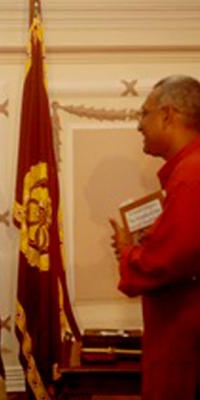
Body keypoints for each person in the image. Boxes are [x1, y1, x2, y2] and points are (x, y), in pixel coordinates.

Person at [110, 75, 200, 400]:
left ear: (168, 115)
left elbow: (167, 261)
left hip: (185, 338)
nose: (139, 125)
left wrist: (128, 252)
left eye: (143, 114)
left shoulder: (191, 176)